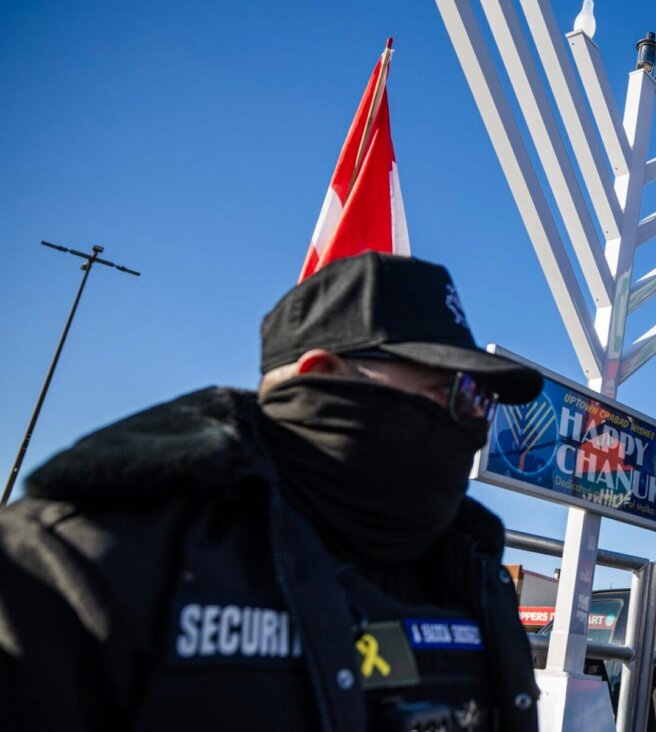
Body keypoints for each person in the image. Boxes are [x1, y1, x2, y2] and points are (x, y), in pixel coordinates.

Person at [0, 252, 543, 731]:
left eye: (484, 402)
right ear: (326, 377)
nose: (476, 423)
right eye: (458, 392)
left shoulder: (470, 570)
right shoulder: (78, 563)